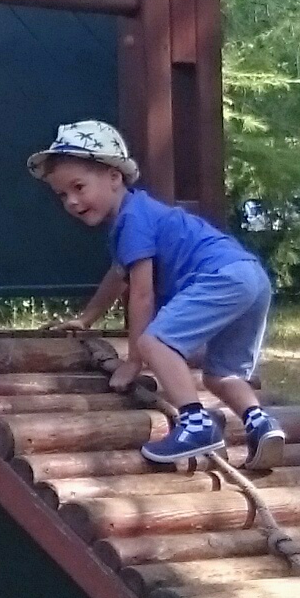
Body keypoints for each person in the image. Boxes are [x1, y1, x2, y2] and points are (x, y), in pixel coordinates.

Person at [26, 119, 281, 469]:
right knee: (221, 374)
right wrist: (86, 318)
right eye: (62, 195)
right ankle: (260, 424)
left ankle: (195, 423)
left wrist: (134, 360)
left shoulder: (132, 221)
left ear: (114, 177)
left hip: (220, 276)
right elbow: (118, 276)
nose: (72, 201)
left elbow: (142, 294)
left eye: (79, 187)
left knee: (155, 341)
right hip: (251, 277)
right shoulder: (138, 216)